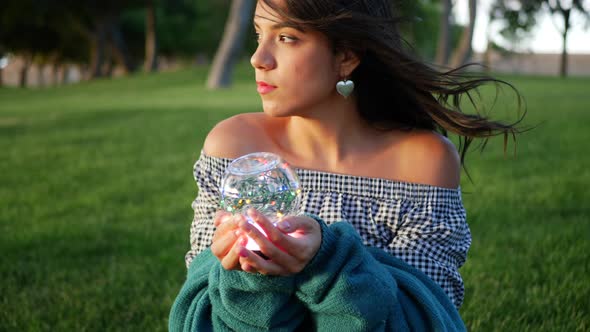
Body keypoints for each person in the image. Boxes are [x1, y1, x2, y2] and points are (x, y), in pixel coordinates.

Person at [170, 0, 524, 330]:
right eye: (259, 34)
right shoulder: (233, 149)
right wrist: (247, 278)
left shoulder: (422, 162)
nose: (258, 58)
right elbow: (195, 313)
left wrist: (328, 261)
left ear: (347, 55)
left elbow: (427, 317)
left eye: (286, 37)